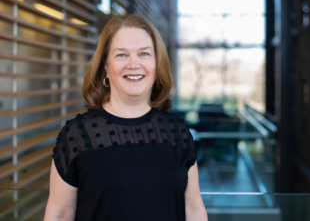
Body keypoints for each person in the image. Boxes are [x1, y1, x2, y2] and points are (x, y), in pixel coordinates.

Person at [44, 14, 208, 221]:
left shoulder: (178, 132)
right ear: (105, 65)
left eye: (144, 54)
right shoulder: (77, 136)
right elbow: (59, 215)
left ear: (157, 64)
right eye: (122, 55)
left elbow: (193, 209)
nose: (134, 64)